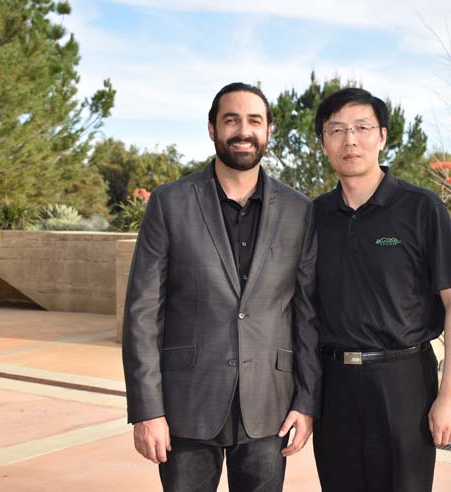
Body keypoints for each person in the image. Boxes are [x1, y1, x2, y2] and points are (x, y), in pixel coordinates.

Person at [122, 82, 320, 492]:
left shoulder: (300, 210)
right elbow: (143, 312)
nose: (243, 131)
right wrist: (147, 410)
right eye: (231, 120)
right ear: (212, 129)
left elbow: (306, 313)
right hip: (185, 404)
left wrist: (306, 401)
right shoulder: (169, 202)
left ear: (268, 131)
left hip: (270, 403)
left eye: (254, 121)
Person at [312, 87, 451, 492]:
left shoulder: (422, 208)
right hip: (333, 386)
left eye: (362, 127)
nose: (350, 140)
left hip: (404, 384)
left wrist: (450, 396)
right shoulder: (313, 216)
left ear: (382, 136)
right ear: (324, 142)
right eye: (337, 130)